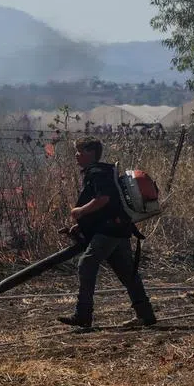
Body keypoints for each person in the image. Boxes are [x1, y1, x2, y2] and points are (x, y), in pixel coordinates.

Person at [57, 137, 158, 330]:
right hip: (118, 229)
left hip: (109, 231)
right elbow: (107, 206)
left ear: (89, 153)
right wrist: (82, 225)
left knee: (86, 264)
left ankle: (83, 315)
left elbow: (103, 199)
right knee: (128, 273)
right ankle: (146, 315)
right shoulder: (102, 171)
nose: (76, 156)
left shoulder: (96, 172)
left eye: (79, 152)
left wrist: (79, 212)